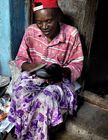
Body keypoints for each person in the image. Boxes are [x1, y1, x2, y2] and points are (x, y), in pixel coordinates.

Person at [8, 0, 84, 139]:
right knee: (20, 90)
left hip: (59, 80)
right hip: (36, 75)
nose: (44, 26)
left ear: (58, 17)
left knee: (44, 99)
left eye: (49, 21)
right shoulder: (31, 31)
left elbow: (77, 65)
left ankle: (39, 136)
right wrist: (30, 66)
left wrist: (61, 71)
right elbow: (20, 58)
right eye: (39, 22)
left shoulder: (71, 34)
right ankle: (22, 130)